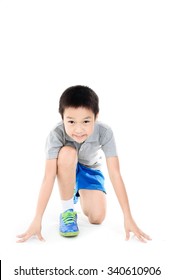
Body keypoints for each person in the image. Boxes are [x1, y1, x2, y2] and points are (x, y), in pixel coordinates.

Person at [17, 85, 151, 242]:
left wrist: (128, 216)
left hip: (90, 169)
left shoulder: (105, 132)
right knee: (68, 153)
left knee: (97, 218)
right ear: (62, 118)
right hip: (66, 165)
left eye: (86, 121)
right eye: (71, 121)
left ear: (96, 116)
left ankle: (76, 189)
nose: (78, 129)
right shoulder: (56, 134)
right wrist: (37, 218)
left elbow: (115, 173)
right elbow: (49, 176)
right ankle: (68, 210)